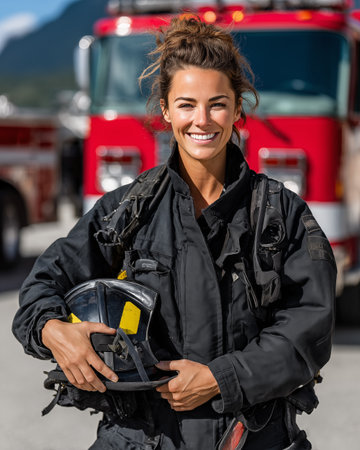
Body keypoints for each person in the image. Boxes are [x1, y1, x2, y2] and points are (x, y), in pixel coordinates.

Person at [12, 17, 336, 450]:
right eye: (186, 104)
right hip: (140, 439)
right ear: (165, 111)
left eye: (217, 104)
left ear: (238, 109)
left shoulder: (281, 214)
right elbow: (41, 285)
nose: (201, 120)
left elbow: (310, 326)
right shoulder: (124, 210)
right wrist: (54, 331)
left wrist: (221, 378)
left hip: (249, 437)